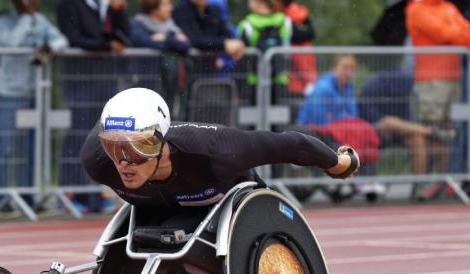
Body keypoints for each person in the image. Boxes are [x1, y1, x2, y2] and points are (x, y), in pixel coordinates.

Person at [80, 87, 358, 241]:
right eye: (114, 149)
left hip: (221, 204)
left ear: (160, 142)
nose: (124, 163)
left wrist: (337, 162)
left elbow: (292, 145)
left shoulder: (217, 152)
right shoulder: (97, 160)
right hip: (157, 211)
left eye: (138, 149)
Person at [56, 0, 130, 214]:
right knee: (79, 135)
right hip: (80, 80)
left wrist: (118, 8)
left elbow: (124, 36)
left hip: (104, 79)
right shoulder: (69, 1)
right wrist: (107, 45)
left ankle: (93, 195)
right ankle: (69, 192)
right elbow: (73, 38)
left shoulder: (105, 1)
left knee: (102, 137)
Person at [0, 0, 68, 214]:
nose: (34, 0)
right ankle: (1, 199)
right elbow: (10, 44)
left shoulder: (41, 20)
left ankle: (27, 196)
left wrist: (48, 47)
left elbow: (62, 40)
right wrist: (26, 19)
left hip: (35, 92)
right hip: (10, 93)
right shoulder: (3, 23)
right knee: (5, 147)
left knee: (30, 148)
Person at [405, 0, 470, 196]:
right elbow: (446, 34)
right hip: (431, 80)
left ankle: (440, 182)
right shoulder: (416, 8)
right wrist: (456, 33)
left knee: (446, 132)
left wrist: (456, 33)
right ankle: (421, 184)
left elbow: (463, 33)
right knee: (428, 131)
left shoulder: (448, 7)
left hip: (452, 78)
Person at [358, 69, 456, 200]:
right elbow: (373, 120)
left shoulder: (403, 92)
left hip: (397, 133)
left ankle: (418, 187)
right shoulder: (372, 88)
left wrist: (398, 128)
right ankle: (429, 130)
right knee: (388, 122)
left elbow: (405, 120)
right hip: (373, 133)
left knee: (417, 138)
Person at [297, 54, 385, 200]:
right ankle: (359, 178)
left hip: (338, 128)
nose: (348, 72)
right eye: (344, 68)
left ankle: (368, 178)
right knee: (354, 133)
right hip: (314, 129)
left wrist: (341, 119)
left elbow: (352, 115)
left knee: (363, 131)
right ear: (334, 69)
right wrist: (342, 119)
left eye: (352, 69)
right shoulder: (323, 88)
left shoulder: (348, 86)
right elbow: (320, 119)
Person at [130, 0, 191, 119]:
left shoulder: (171, 26)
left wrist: (164, 39)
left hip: (168, 86)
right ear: (153, 6)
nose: (171, 7)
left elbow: (185, 45)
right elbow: (141, 40)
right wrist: (173, 42)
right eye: (166, 4)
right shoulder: (137, 24)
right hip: (145, 84)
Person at [173, 0, 245, 74]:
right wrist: (224, 44)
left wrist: (236, 44)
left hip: (210, 71)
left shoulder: (213, 10)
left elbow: (227, 34)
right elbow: (194, 40)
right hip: (187, 73)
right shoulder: (181, 10)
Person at [237, 0, 292, 103]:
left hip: (254, 79)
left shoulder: (247, 24)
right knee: (279, 117)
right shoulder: (284, 21)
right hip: (280, 78)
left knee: (253, 118)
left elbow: (242, 55)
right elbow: (287, 49)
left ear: (257, 1)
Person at [272, 0, 317, 117]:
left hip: (294, 81)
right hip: (304, 78)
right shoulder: (300, 15)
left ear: (280, 1)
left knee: (289, 118)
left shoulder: (284, 20)